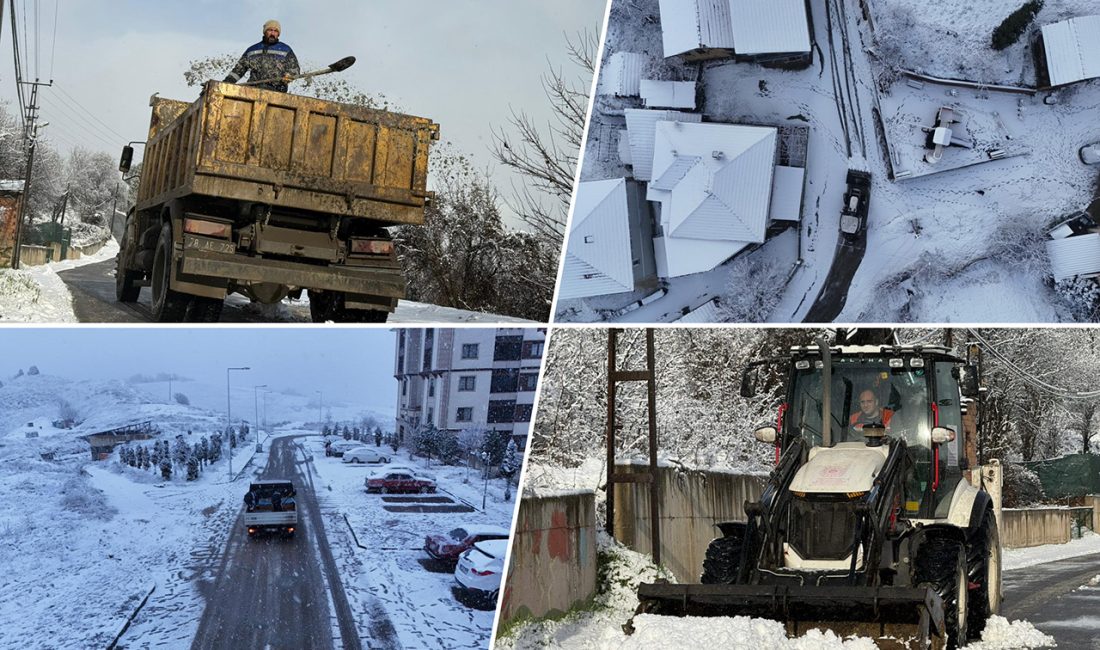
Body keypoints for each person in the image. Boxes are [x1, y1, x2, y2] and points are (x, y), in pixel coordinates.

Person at [224, 20, 300, 92]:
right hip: (252, 89)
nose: (272, 33)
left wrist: (289, 76)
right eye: (270, 30)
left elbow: (295, 69)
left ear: (278, 34)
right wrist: (227, 82)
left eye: (275, 31)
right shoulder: (252, 50)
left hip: (277, 90)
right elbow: (238, 70)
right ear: (264, 32)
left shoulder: (286, 50)